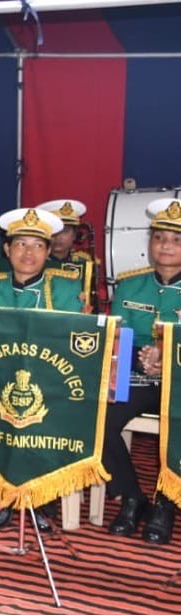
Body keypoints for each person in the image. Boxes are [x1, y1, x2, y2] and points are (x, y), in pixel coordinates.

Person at [0, 207, 85, 531]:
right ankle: (2, 496)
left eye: (37, 245)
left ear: (49, 251)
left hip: (50, 381)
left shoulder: (66, 288)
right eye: (20, 244)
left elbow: (69, 343)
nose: (28, 253)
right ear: (6, 250)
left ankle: (41, 499)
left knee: (46, 412)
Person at [101, 197, 181, 545]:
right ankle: (132, 496)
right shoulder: (131, 284)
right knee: (99, 418)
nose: (166, 246)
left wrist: (169, 358)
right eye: (160, 238)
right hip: (142, 377)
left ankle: (167, 503)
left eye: (177, 240)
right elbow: (121, 337)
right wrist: (144, 359)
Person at [37, 199, 96, 308]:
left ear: (75, 235)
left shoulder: (85, 262)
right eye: (54, 232)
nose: (58, 237)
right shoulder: (33, 261)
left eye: (65, 231)